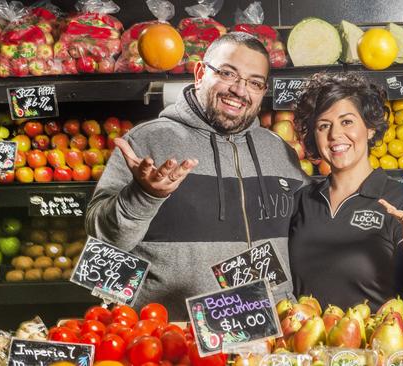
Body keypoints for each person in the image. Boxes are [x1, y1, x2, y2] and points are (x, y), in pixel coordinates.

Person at [85, 32, 305, 320]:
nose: (240, 90)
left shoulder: (279, 151)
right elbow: (100, 238)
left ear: (263, 91)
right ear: (200, 73)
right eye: (228, 73)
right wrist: (143, 197)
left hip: (262, 334)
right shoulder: (147, 142)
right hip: (172, 338)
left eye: (254, 82)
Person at [289, 72, 403, 313]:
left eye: (347, 121)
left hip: (379, 344)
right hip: (312, 346)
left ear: (370, 128)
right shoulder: (303, 201)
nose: (335, 135)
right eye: (323, 125)